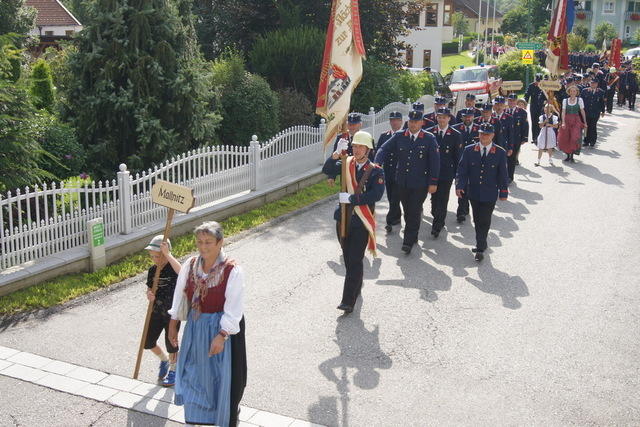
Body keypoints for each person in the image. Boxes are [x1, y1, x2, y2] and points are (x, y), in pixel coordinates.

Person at [168, 222, 247, 427]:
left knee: (221, 377)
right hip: (197, 325)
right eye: (200, 242)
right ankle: (195, 418)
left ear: (220, 242)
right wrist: (172, 324)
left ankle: (225, 415)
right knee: (194, 372)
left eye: (208, 242)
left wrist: (222, 334)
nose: (203, 247)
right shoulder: (191, 264)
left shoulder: (232, 270)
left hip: (224, 327)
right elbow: (180, 295)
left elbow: (234, 308)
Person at [322, 131, 385, 313]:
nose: (356, 150)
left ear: (368, 149)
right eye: (354, 146)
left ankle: (348, 301)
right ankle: (356, 285)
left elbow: (377, 194)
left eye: (360, 147)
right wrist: (335, 154)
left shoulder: (375, 170)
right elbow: (327, 170)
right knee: (349, 259)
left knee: (355, 259)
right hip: (342, 219)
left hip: (361, 221)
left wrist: (352, 199)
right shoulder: (346, 163)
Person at [375, 110, 440, 254]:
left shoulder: (429, 139)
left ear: (422, 122)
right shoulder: (400, 136)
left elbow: (435, 163)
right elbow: (383, 149)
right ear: (408, 121)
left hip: (420, 183)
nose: (413, 124)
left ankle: (408, 241)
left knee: (414, 210)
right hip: (402, 181)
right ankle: (413, 233)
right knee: (407, 210)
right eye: (411, 121)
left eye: (416, 122)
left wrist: (433, 182)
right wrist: (377, 163)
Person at [455, 123, 509, 262]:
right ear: (478, 134)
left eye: (487, 134)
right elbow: (462, 170)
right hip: (473, 192)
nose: (484, 136)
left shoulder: (500, 152)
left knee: (484, 219)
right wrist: (459, 186)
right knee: (477, 219)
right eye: (482, 133)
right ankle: (482, 242)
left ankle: (480, 247)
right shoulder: (469, 150)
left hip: (490, 193)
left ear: (492, 136)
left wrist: (503, 192)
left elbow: (503, 174)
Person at [144, 235, 182, 387]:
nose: (155, 259)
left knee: (171, 342)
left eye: (158, 256)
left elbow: (182, 272)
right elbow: (149, 286)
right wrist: (149, 293)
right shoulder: (153, 270)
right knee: (147, 341)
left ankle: (173, 370)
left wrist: (167, 255)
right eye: (152, 256)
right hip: (156, 311)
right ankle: (164, 360)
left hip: (172, 313)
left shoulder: (174, 268)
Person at [426, 108, 463, 238]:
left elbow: (458, 157)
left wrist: (457, 175)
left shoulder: (455, 134)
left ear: (449, 118)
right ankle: (437, 216)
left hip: (446, 173)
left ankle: (437, 225)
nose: (441, 120)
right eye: (439, 117)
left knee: (442, 199)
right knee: (434, 201)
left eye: (444, 117)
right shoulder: (430, 133)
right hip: (431, 173)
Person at [452, 108, 480, 224]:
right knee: (461, 184)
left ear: (473, 117)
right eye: (465, 117)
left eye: (469, 116)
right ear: (462, 117)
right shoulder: (456, 129)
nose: (467, 119)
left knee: (470, 186)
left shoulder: (479, 129)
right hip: (460, 162)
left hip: (475, 163)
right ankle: (461, 211)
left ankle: (466, 207)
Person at [376, 112, 403, 232]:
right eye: (392, 120)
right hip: (388, 170)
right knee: (391, 195)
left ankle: (390, 220)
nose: (394, 122)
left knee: (396, 196)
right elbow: (379, 151)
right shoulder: (384, 135)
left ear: (401, 121)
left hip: (401, 172)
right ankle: (397, 216)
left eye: (397, 120)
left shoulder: (405, 135)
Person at [557, 85, 587, 163]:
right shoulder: (565, 100)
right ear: (569, 92)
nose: (573, 92)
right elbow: (563, 112)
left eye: (574, 91)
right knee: (566, 138)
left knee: (574, 138)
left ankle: (572, 156)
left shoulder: (580, 100)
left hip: (576, 120)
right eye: (571, 91)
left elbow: (582, 111)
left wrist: (585, 122)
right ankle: (568, 155)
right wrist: (563, 122)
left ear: (577, 92)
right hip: (567, 119)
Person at [506, 94, 529, 179]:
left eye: (513, 100)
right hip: (505, 139)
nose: (511, 102)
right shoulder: (504, 111)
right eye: (510, 100)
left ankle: (510, 177)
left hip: (516, 138)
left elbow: (525, 126)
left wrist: (524, 138)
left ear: (516, 101)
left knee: (512, 159)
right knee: (504, 158)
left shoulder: (522, 112)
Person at [581, 78, 605, 147]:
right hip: (586, 112)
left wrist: (603, 111)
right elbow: (581, 101)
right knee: (586, 126)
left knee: (593, 126)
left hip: (595, 112)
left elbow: (602, 102)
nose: (593, 84)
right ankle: (586, 141)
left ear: (597, 84)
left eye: (594, 83)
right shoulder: (584, 91)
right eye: (592, 83)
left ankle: (592, 141)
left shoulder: (600, 92)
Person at [525, 74, 545, 143]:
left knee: (540, 121)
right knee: (534, 122)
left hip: (541, 106)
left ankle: (539, 137)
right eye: (537, 81)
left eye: (539, 81)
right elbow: (527, 95)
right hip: (533, 106)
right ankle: (534, 138)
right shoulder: (531, 86)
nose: (538, 82)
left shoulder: (544, 86)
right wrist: (524, 103)